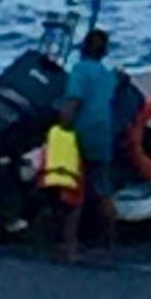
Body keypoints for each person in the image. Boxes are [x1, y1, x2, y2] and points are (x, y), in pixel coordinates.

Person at [58, 26, 119, 256]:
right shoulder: (107, 75)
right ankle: (112, 237)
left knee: (75, 190)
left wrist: (61, 126)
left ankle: (70, 242)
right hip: (104, 134)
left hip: (83, 133)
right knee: (102, 188)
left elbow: (73, 102)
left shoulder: (80, 70)